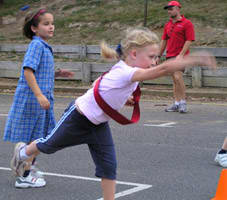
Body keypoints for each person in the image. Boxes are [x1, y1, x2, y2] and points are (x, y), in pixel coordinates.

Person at [9, 27, 216, 199]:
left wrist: (121, 99)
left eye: (156, 57)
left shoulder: (124, 70)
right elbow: (162, 70)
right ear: (134, 54)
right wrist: (194, 59)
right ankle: (22, 152)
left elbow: (102, 85)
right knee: (48, 145)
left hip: (98, 125)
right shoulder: (126, 71)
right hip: (78, 118)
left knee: (108, 166)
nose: (154, 62)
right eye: (152, 57)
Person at [3, 8, 74, 188]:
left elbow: (40, 72)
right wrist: (39, 95)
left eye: (52, 23)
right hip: (33, 100)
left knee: (38, 137)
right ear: (34, 28)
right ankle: (25, 175)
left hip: (39, 100)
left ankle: (26, 166)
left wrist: (57, 74)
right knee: (37, 138)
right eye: (46, 24)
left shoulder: (42, 46)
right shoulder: (36, 46)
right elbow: (28, 71)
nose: (51, 27)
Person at [158, 1, 195, 113]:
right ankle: (176, 103)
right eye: (168, 9)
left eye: (171, 8)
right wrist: (158, 56)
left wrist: (181, 55)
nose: (169, 11)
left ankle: (183, 103)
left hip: (181, 56)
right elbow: (164, 40)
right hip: (170, 55)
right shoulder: (168, 25)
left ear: (178, 9)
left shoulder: (187, 23)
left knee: (178, 77)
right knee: (174, 80)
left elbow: (189, 40)